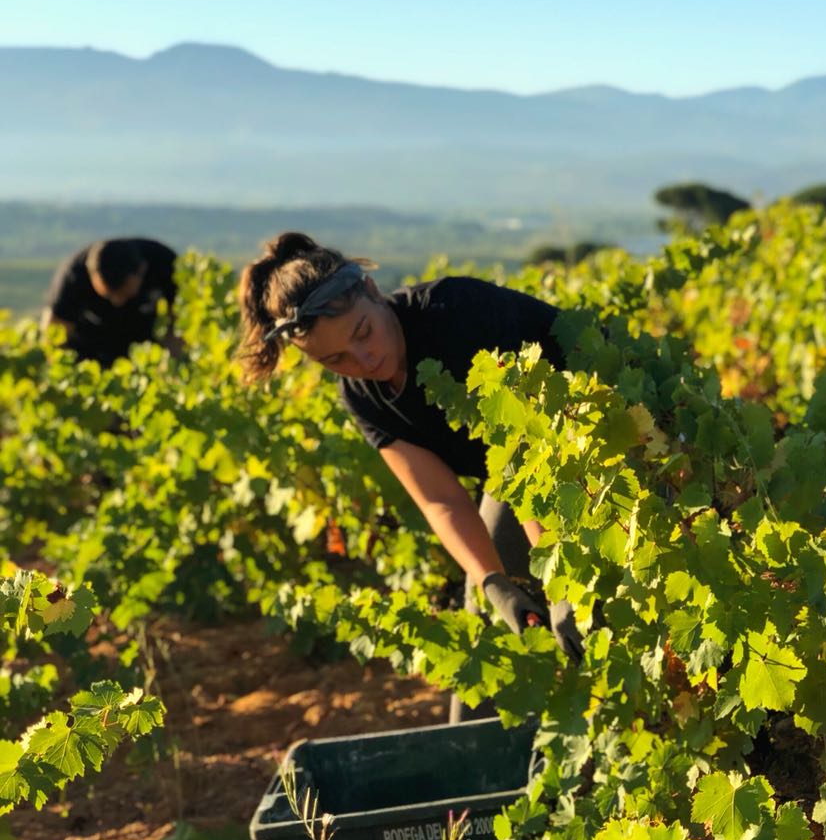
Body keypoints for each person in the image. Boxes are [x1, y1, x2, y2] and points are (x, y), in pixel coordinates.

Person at [235, 233, 583, 721]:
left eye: (362, 333)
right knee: (489, 607)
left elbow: (529, 449)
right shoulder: (361, 395)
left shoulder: (454, 313)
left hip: (601, 440)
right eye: (336, 360)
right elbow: (441, 500)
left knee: (585, 598)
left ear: (372, 291)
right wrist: (493, 584)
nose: (363, 360)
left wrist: (564, 581)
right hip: (519, 477)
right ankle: (482, 758)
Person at [43, 237, 179, 364]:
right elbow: (54, 335)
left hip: (145, 347)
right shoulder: (73, 276)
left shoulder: (164, 264)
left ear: (142, 270)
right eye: (108, 296)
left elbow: (178, 328)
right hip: (89, 348)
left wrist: (168, 364)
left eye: (124, 294)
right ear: (91, 275)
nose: (117, 302)